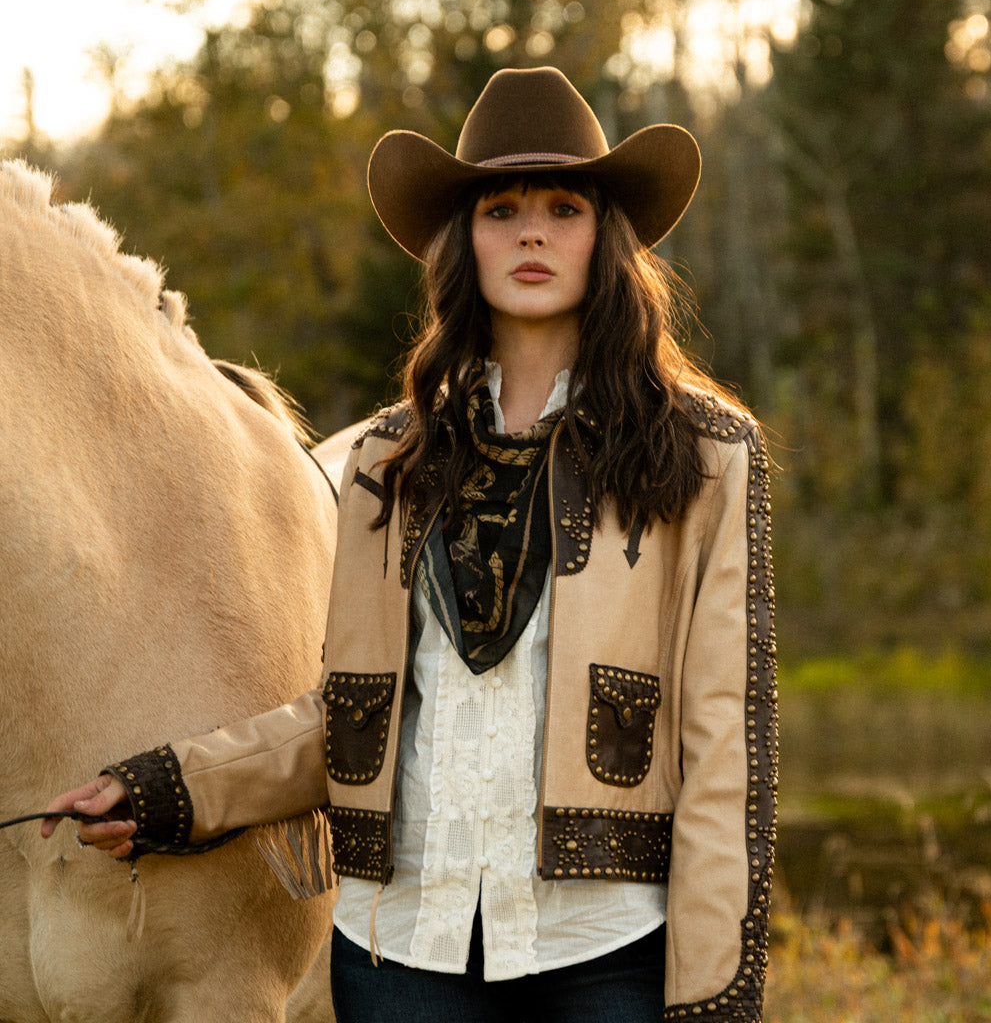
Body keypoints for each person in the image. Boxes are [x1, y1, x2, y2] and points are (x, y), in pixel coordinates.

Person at [44, 66, 777, 1023]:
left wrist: (715, 992)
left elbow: (726, 750)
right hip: (402, 954)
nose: (531, 234)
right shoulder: (388, 460)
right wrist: (169, 790)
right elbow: (354, 720)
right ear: (463, 241)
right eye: (500, 210)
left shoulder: (704, 455)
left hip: (607, 949)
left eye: (563, 209)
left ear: (607, 238)